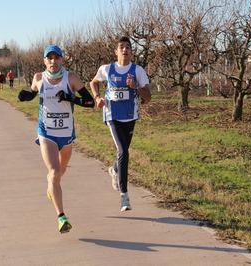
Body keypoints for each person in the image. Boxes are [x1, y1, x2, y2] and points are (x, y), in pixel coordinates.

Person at [18, 45, 94, 234]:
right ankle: (62, 217)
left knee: (60, 172)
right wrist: (26, 97)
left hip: (67, 134)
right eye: (49, 58)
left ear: (62, 60)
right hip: (47, 133)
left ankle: (52, 186)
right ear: (44, 61)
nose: (53, 61)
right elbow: (33, 93)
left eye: (56, 58)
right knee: (54, 172)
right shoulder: (38, 78)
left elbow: (90, 102)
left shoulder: (72, 78)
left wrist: (71, 97)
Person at [90, 36, 151, 212]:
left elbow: (148, 96)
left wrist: (135, 88)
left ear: (132, 52)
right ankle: (124, 196)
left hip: (130, 116)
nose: (125, 50)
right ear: (116, 52)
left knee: (122, 152)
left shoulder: (138, 71)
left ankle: (114, 169)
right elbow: (93, 82)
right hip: (112, 115)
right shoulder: (107, 69)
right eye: (121, 47)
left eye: (128, 47)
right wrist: (97, 98)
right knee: (123, 151)